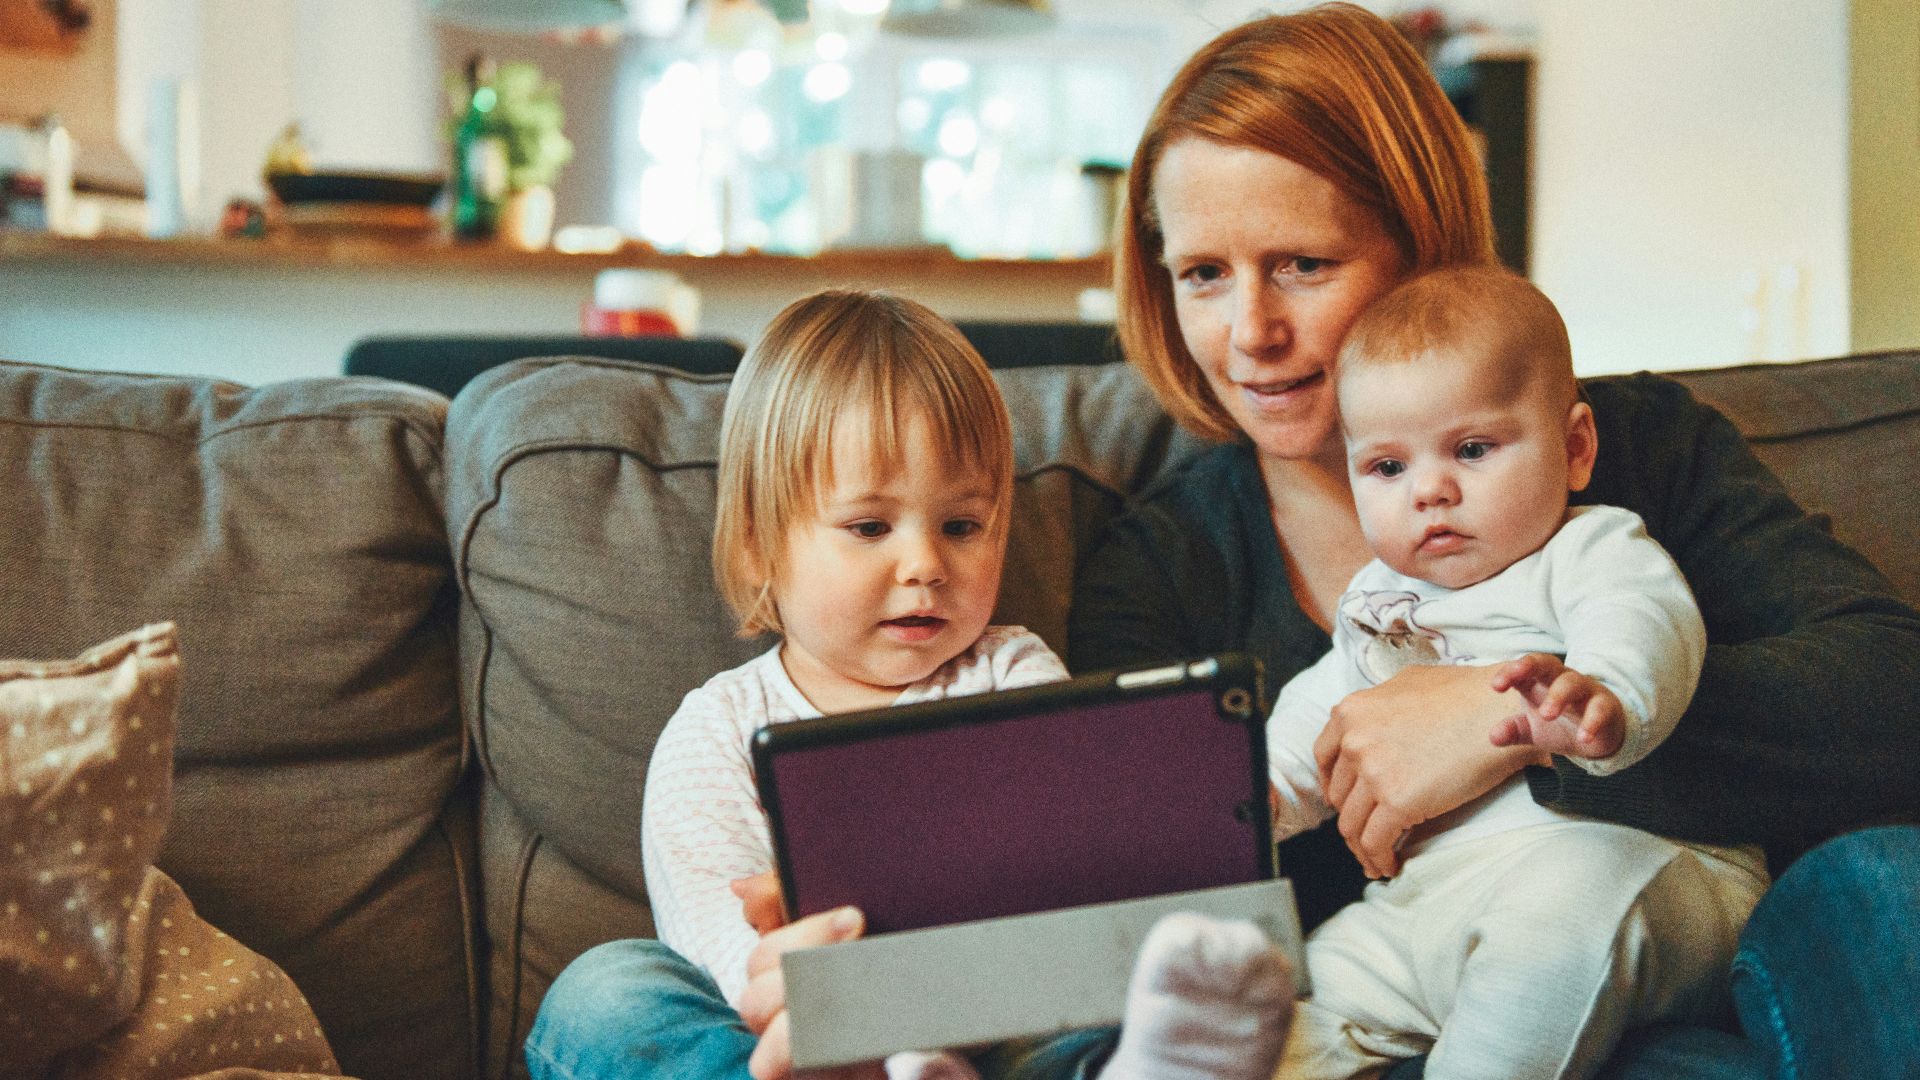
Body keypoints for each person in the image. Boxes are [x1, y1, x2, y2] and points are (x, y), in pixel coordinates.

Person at [1061, 3, 1920, 1077]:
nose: (1251, 333)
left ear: (1419, 246)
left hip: (1691, 978)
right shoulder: (1161, 566)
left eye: (1303, 264)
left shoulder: (1635, 453)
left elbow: (1893, 690)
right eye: (1203, 274)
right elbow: (1138, 908)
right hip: (1381, 1016)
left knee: (1890, 885)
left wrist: (1508, 716)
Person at [526, 288, 1298, 1080]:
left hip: (1000, 1021)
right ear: (759, 546)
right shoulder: (716, 727)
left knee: (1106, 1000)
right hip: (800, 1042)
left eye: (961, 526)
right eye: (869, 528)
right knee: (607, 991)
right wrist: (840, 1021)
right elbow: (721, 944)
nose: (926, 564)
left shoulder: (1013, 674)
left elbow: (1069, 879)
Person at [1258, 264, 1767, 1078]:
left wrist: (1605, 695)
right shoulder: (1378, 599)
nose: (1431, 489)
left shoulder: (1589, 547)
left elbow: (1645, 621)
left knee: (1554, 927)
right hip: (1431, 902)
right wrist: (1260, 798)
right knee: (1283, 998)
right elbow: (1323, 707)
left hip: (1630, 870)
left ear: (1574, 448)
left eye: (1471, 449)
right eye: (1386, 468)